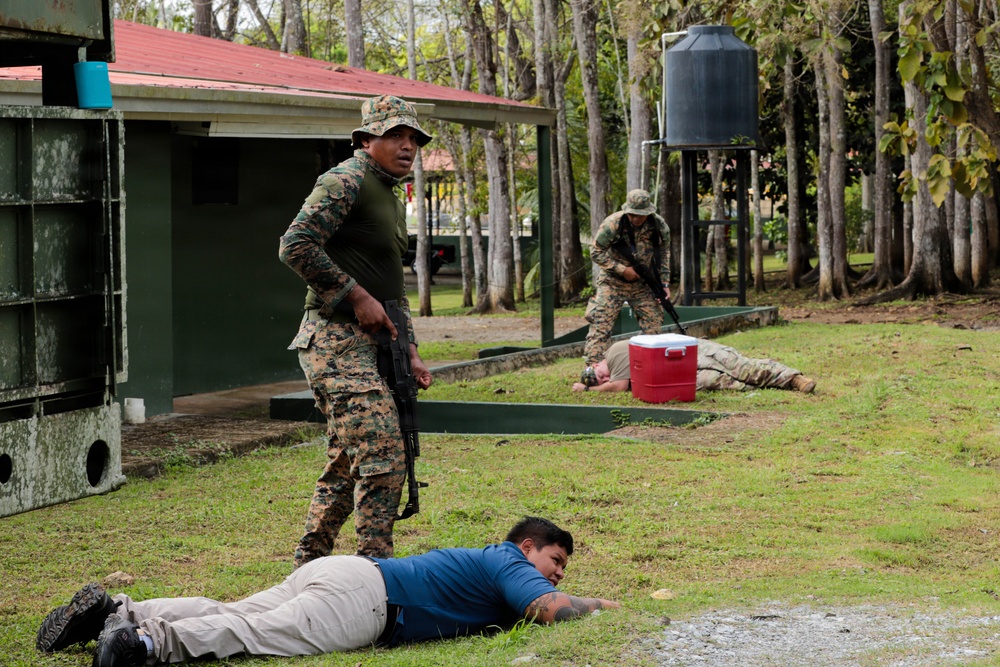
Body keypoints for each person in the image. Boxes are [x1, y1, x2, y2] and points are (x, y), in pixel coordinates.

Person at [36, 517, 619, 667]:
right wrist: (601, 608)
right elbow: (551, 611)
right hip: (367, 601)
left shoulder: (495, 563)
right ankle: (143, 643)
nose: (557, 575)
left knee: (233, 609)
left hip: (348, 574)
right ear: (528, 547)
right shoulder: (509, 563)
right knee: (254, 631)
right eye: (555, 561)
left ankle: (117, 609)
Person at [278, 95, 434, 565]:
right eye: (395, 135)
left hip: (377, 344)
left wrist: (410, 348)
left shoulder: (390, 193)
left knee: (347, 462)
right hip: (335, 340)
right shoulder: (346, 179)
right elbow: (295, 245)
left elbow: (392, 286)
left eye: (414, 138)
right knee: (383, 455)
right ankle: (375, 571)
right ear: (366, 139)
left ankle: (309, 563)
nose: (407, 146)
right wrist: (355, 295)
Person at [583, 189, 672, 366]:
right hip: (612, 282)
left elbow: (664, 253)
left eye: (639, 215)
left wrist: (664, 282)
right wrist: (622, 270)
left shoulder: (658, 226)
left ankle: (644, 365)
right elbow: (596, 251)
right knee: (600, 325)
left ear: (648, 212)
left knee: (653, 323)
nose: (635, 219)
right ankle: (593, 369)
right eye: (632, 214)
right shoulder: (613, 223)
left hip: (642, 283)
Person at [572, 338, 817, 394]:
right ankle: (779, 385)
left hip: (690, 352)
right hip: (678, 372)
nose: (604, 380)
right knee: (724, 383)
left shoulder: (615, 352)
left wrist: (586, 390)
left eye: (598, 375)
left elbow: (616, 386)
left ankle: (793, 378)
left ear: (596, 363)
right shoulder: (622, 377)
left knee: (743, 368)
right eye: (599, 382)